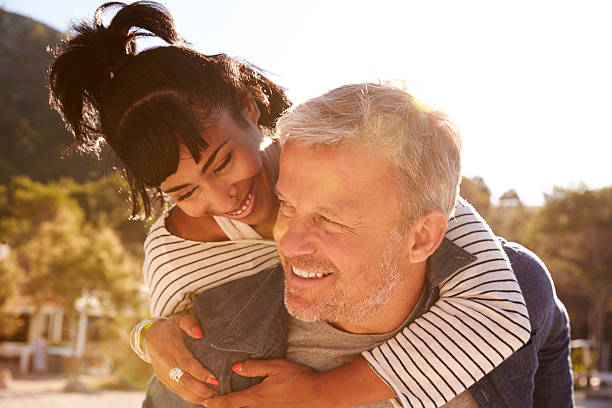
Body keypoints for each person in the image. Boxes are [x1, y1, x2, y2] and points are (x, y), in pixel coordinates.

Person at [48, 2, 531, 407]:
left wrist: (323, 393)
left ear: (248, 108)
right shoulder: (177, 255)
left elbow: (504, 308)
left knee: (524, 269)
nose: (223, 200)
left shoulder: (338, 156)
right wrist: (147, 335)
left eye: (222, 162)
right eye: (184, 191)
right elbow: (177, 344)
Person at [145, 82, 572, 408]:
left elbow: (549, 328)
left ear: (423, 236)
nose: (289, 243)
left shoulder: (514, 289)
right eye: (287, 206)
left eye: (330, 218)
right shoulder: (211, 350)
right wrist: (145, 334)